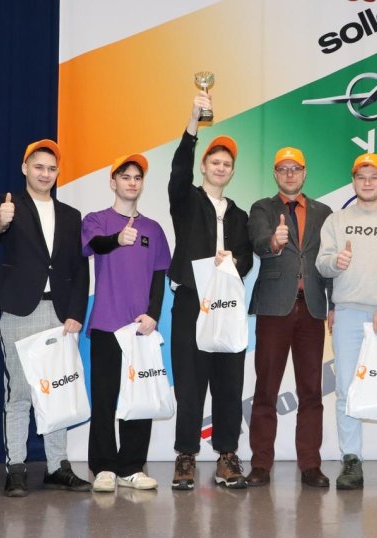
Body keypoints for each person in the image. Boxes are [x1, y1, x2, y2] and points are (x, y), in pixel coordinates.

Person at [0, 139, 91, 497]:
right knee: (19, 393)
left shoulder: (71, 215)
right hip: (19, 309)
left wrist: (75, 312)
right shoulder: (9, 205)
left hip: (58, 314)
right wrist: (0, 221)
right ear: (25, 168)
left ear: (58, 172)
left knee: (57, 392)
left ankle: (57, 467)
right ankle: (15, 468)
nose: (45, 174)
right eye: (39, 167)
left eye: (52, 168)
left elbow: (79, 268)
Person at [167, 91, 253, 490]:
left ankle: (227, 456)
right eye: (215, 162)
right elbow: (178, 171)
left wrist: (233, 262)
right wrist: (192, 123)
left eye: (227, 164)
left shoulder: (239, 214)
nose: (220, 168)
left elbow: (247, 259)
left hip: (227, 305)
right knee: (190, 382)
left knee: (228, 383)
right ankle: (186, 455)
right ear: (204, 166)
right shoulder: (187, 201)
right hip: (191, 300)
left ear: (232, 172)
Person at [315, 153, 377, 491]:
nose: (368, 182)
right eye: (361, 176)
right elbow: (322, 264)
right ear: (353, 181)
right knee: (346, 389)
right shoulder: (337, 220)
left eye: (374, 176)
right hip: (348, 313)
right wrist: (336, 262)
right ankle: (351, 460)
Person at [81, 153, 171, 492]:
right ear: (112, 182)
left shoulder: (153, 229)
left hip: (140, 327)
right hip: (107, 323)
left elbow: (160, 276)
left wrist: (153, 315)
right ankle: (104, 467)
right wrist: (117, 239)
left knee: (140, 397)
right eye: (125, 176)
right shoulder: (96, 220)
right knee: (105, 396)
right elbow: (96, 245)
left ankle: (132, 467)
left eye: (137, 177)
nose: (132, 182)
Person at [245, 147, 332, 488]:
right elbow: (257, 243)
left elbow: (328, 262)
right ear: (275, 174)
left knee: (311, 391)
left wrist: (333, 305)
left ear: (305, 172)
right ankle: (260, 464)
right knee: (266, 389)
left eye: (296, 168)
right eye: (283, 168)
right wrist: (274, 242)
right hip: (273, 309)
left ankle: (310, 465)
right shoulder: (262, 208)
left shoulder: (324, 212)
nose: (290, 174)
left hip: (312, 308)